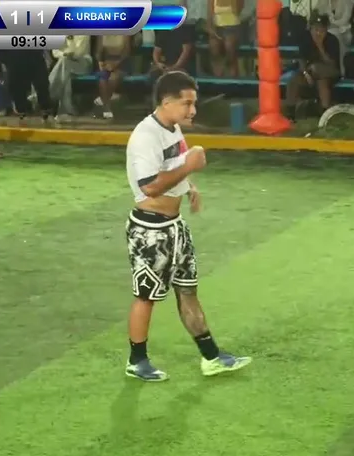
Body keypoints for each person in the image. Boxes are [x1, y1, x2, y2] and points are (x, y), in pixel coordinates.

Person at [124, 71, 251, 382]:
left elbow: (174, 165)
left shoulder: (172, 128)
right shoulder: (145, 136)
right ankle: (136, 361)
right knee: (147, 296)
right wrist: (189, 166)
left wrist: (189, 185)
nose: (193, 110)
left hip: (174, 226)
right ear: (166, 102)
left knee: (188, 290)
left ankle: (211, 357)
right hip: (150, 230)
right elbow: (150, 187)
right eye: (187, 104)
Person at [286, 15, 341, 112]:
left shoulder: (332, 40)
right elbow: (301, 59)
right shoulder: (305, 39)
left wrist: (320, 46)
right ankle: (290, 112)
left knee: (320, 78)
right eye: (316, 29)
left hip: (329, 72)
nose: (318, 33)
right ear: (311, 29)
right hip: (309, 73)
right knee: (293, 81)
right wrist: (305, 73)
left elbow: (332, 64)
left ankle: (324, 112)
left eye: (321, 30)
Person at [150, 5, 196, 96]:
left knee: (178, 77)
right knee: (153, 74)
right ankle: (155, 100)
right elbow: (156, 51)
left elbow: (186, 52)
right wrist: (158, 63)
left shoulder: (185, 30)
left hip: (182, 66)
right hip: (165, 65)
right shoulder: (163, 31)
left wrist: (175, 67)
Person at [5, 46, 55, 122]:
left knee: (42, 84)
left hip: (35, 55)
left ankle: (45, 108)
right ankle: (22, 110)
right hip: (16, 57)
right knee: (18, 87)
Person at [49, 35, 93, 118]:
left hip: (83, 62)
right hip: (64, 63)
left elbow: (77, 54)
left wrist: (70, 39)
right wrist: (64, 54)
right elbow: (55, 52)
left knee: (64, 63)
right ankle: (67, 109)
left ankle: (48, 94)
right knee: (66, 72)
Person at [94, 34, 132, 120]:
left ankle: (104, 100)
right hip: (106, 62)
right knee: (102, 80)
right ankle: (106, 108)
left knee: (112, 79)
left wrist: (115, 64)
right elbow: (98, 52)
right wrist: (100, 62)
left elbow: (126, 52)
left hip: (121, 62)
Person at [208, 0, 245, 77]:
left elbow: (239, 8)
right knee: (214, 47)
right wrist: (210, 27)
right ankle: (218, 78)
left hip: (233, 25)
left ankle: (232, 78)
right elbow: (210, 10)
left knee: (229, 47)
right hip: (217, 26)